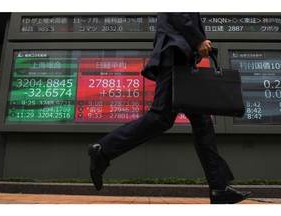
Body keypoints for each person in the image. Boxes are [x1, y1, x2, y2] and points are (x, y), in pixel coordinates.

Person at [88, 12, 251, 204]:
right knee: (161, 117)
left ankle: (218, 188)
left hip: (181, 56)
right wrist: (198, 39)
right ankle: (103, 150)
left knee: (201, 122)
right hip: (174, 53)